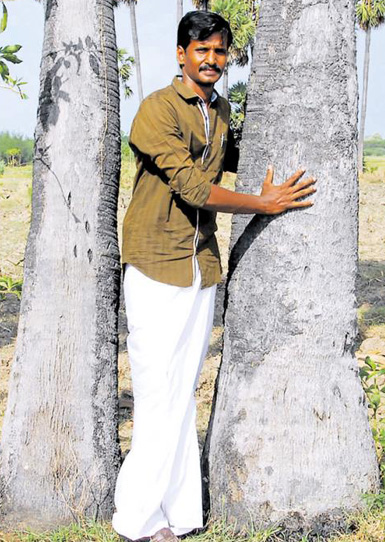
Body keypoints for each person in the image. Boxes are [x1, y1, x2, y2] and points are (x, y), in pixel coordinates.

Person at [112, 11, 316, 542]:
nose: (212, 60)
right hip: (156, 262)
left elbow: (234, 157)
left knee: (182, 394)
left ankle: (177, 518)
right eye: (202, 50)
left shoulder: (219, 111)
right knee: (157, 393)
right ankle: (136, 520)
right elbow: (191, 187)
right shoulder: (156, 110)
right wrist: (261, 203)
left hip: (200, 267)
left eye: (221, 52)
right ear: (181, 54)